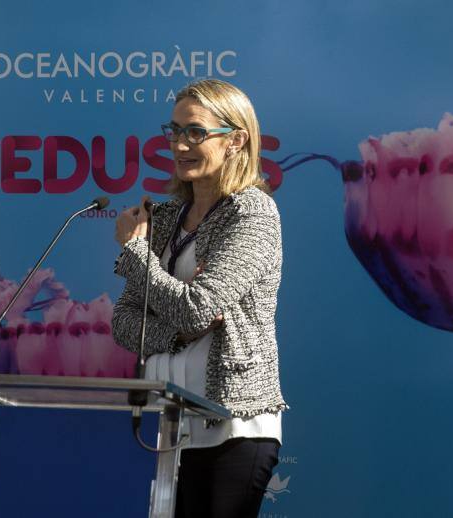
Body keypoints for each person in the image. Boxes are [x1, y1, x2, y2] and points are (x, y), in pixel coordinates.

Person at [111, 78, 286, 518]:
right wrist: (179, 326)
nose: (180, 144)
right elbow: (125, 321)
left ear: (236, 140)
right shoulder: (165, 216)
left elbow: (196, 306)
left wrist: (136, 253)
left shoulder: (253, 213)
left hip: (230, 428)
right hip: (162, 424)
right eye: (174, 131)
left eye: (195, 132)